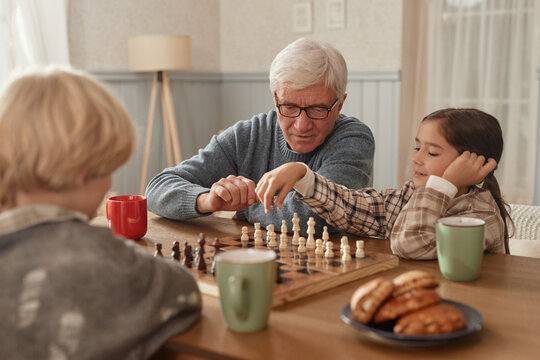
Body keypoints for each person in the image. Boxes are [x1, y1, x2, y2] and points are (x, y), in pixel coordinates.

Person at [0, 67, 201, 359]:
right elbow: (186, 293)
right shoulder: (101, 257)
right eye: (110, 167)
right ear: (84, 170)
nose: (111, 183)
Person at [146, 38, 375, 236]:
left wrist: (245, 207)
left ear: (339, 104)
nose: (302, 125)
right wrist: (208, 200)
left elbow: (316, 215)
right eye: (289, 107)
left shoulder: (354, 138)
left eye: (317, 109)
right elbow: (157, 188)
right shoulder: (248, 135)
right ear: (276, 99)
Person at [256, 108, 512, 259]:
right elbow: (356, 208)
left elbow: (409, 243)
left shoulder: (482, 217)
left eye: (432, 153)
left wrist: (444, 186)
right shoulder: (411, 197)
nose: (416, 159)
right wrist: (304, 176)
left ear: (474, 164)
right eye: (417, 147)